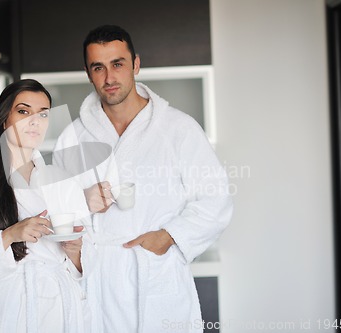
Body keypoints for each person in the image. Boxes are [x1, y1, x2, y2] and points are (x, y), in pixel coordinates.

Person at [53, 25, 233, 332]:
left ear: (136, 64)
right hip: (97, 284)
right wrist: (81, 202)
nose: (109, 78)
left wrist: (167, 236)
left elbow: (216, 199)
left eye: (118, 64)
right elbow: (56, 213)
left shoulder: (179, 129)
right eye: (99, 67)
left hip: (156, 276)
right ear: (87, 72)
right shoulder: (73, 138)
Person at [0, 79, 91, 333]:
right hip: (10, 315)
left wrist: (76, 252)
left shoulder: (62, 182)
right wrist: (9, 235)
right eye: (23, 111)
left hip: (61, 314)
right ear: (4, 119)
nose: (34, 121)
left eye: (43, 114)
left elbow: (86, 262)